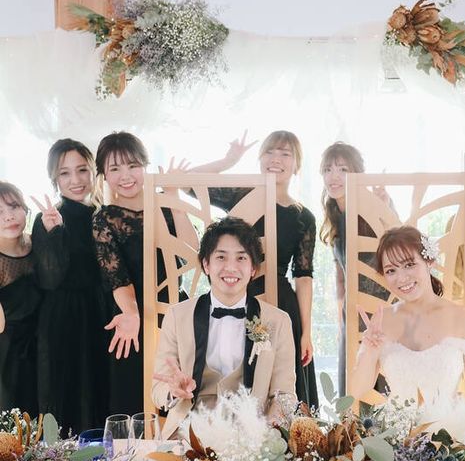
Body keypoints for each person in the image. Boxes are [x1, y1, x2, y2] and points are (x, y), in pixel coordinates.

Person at [190, 130, 319, 408]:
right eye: (269, 152)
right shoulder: (242, 195)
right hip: (233, 296)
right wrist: (228, 161)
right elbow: (190, 183)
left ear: (297, 164)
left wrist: (306, 332)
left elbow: (303, 277)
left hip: (281, 303)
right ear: (260, 159)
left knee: (281, 381)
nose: (276, 159)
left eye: (285, 154)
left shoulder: (303, 217)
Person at [152, 216, 296, 440]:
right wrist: (173, 392)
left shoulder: (278, 321)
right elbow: (158, 389)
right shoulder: (177, 316)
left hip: (250, 438)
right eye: (221, 257)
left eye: (241, 258)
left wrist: (267, 439)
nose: (231, 267)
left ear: (253, 268)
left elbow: (284, 395)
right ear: (206, 265)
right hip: (188, 434)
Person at [350, 226, 465, 442]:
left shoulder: (464, 318)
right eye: (391, 271)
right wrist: (370, 350)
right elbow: (357, 390)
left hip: (449, 442)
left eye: (409, 265)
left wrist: (460, 450)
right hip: (394, 442)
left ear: (429, 261)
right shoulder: (382, 320)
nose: (401, 278)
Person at [93, 132, 192, 417]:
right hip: (130, 316)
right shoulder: (104, 218)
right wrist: (132, 314)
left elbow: (191, 250)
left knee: (178, 393)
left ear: (145, 166)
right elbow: (116, 276)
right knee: (133, 396)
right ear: (104, 175)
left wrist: (174, 200)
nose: (125, 175)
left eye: (132, 165)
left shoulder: (165, 203)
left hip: (173, 309)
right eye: (115, 168)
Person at [31, 140, 109, 433]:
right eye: (65, 173)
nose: (75, 180)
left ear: (93, 171)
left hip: (100, 313)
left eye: (82, 170)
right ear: (54, 178)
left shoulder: (103, 213)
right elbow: (49, 278)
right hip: (62, 319)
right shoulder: (48, 218)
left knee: (100, 392)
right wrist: (54, 233)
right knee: (67, 396)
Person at [319, 141, 394, 396]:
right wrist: (341, 312)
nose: (334, 176)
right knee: (352, 387)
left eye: (343, 169)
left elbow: (401, 247)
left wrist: (386, 208)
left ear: (358, 175)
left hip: (380, 309)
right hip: (352, 312)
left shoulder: (371, 209)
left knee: (380, 386)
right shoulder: (335, 217)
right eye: (328, 169)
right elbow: (340, 273)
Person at [0, 182, 40, 415]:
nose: (8, 217)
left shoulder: (38, 242)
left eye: (14, 206)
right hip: (9, 356)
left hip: (43, 347)